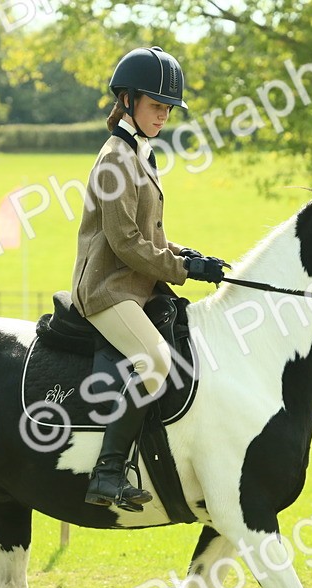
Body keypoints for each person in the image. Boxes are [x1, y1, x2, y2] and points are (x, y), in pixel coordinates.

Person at [70, 46, 228, 511]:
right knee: (155, 361)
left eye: (168, 109)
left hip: (134, 286)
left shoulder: (140, 152)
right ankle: (107, 473)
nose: (163, 115)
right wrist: (182, 270)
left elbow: (150, 236)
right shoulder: (115, 160)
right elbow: (125, 243)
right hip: (107, 289)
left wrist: (189, 255)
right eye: (156, 105)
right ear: (127, 99)